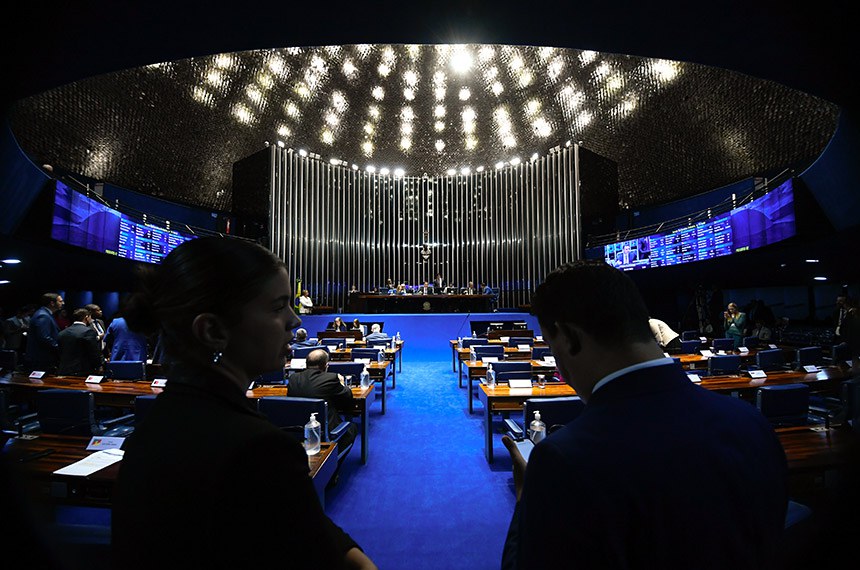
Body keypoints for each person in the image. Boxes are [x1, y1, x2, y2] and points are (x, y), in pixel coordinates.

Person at [501, 260, 787, 569]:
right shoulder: (751, 423)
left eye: (551, 345)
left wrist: (525, 498)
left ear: (569, 337)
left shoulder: (561, 460)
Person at [111, 237, 376, 570]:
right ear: (213, 331)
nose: (295, 321)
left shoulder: (152, 426)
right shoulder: (258, 449)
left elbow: (294, 518)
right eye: (277, 307)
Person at [287, 348, 358, 459]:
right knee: (352, 427)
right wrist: (341, 383)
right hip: (325, 433)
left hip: (297, 431)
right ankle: (333, 464)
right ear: (325, 365)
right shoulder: (331, 378)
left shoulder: (293, 378)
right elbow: (347, 397)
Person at [57, 307, 104, 376]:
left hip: (63, 370)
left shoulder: (62, 333)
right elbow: (93, 352)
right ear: (86, 317)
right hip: (81, 371)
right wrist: (99, 366)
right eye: (90, 317)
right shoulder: (88, 332)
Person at [24, 293, 63, 372]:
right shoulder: (43, 315)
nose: (63, 303)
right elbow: (44, 337)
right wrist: (60, 348)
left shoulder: (45, 314)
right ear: (52, 303)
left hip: (42, 357)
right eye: (60, 301)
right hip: (41, 357)